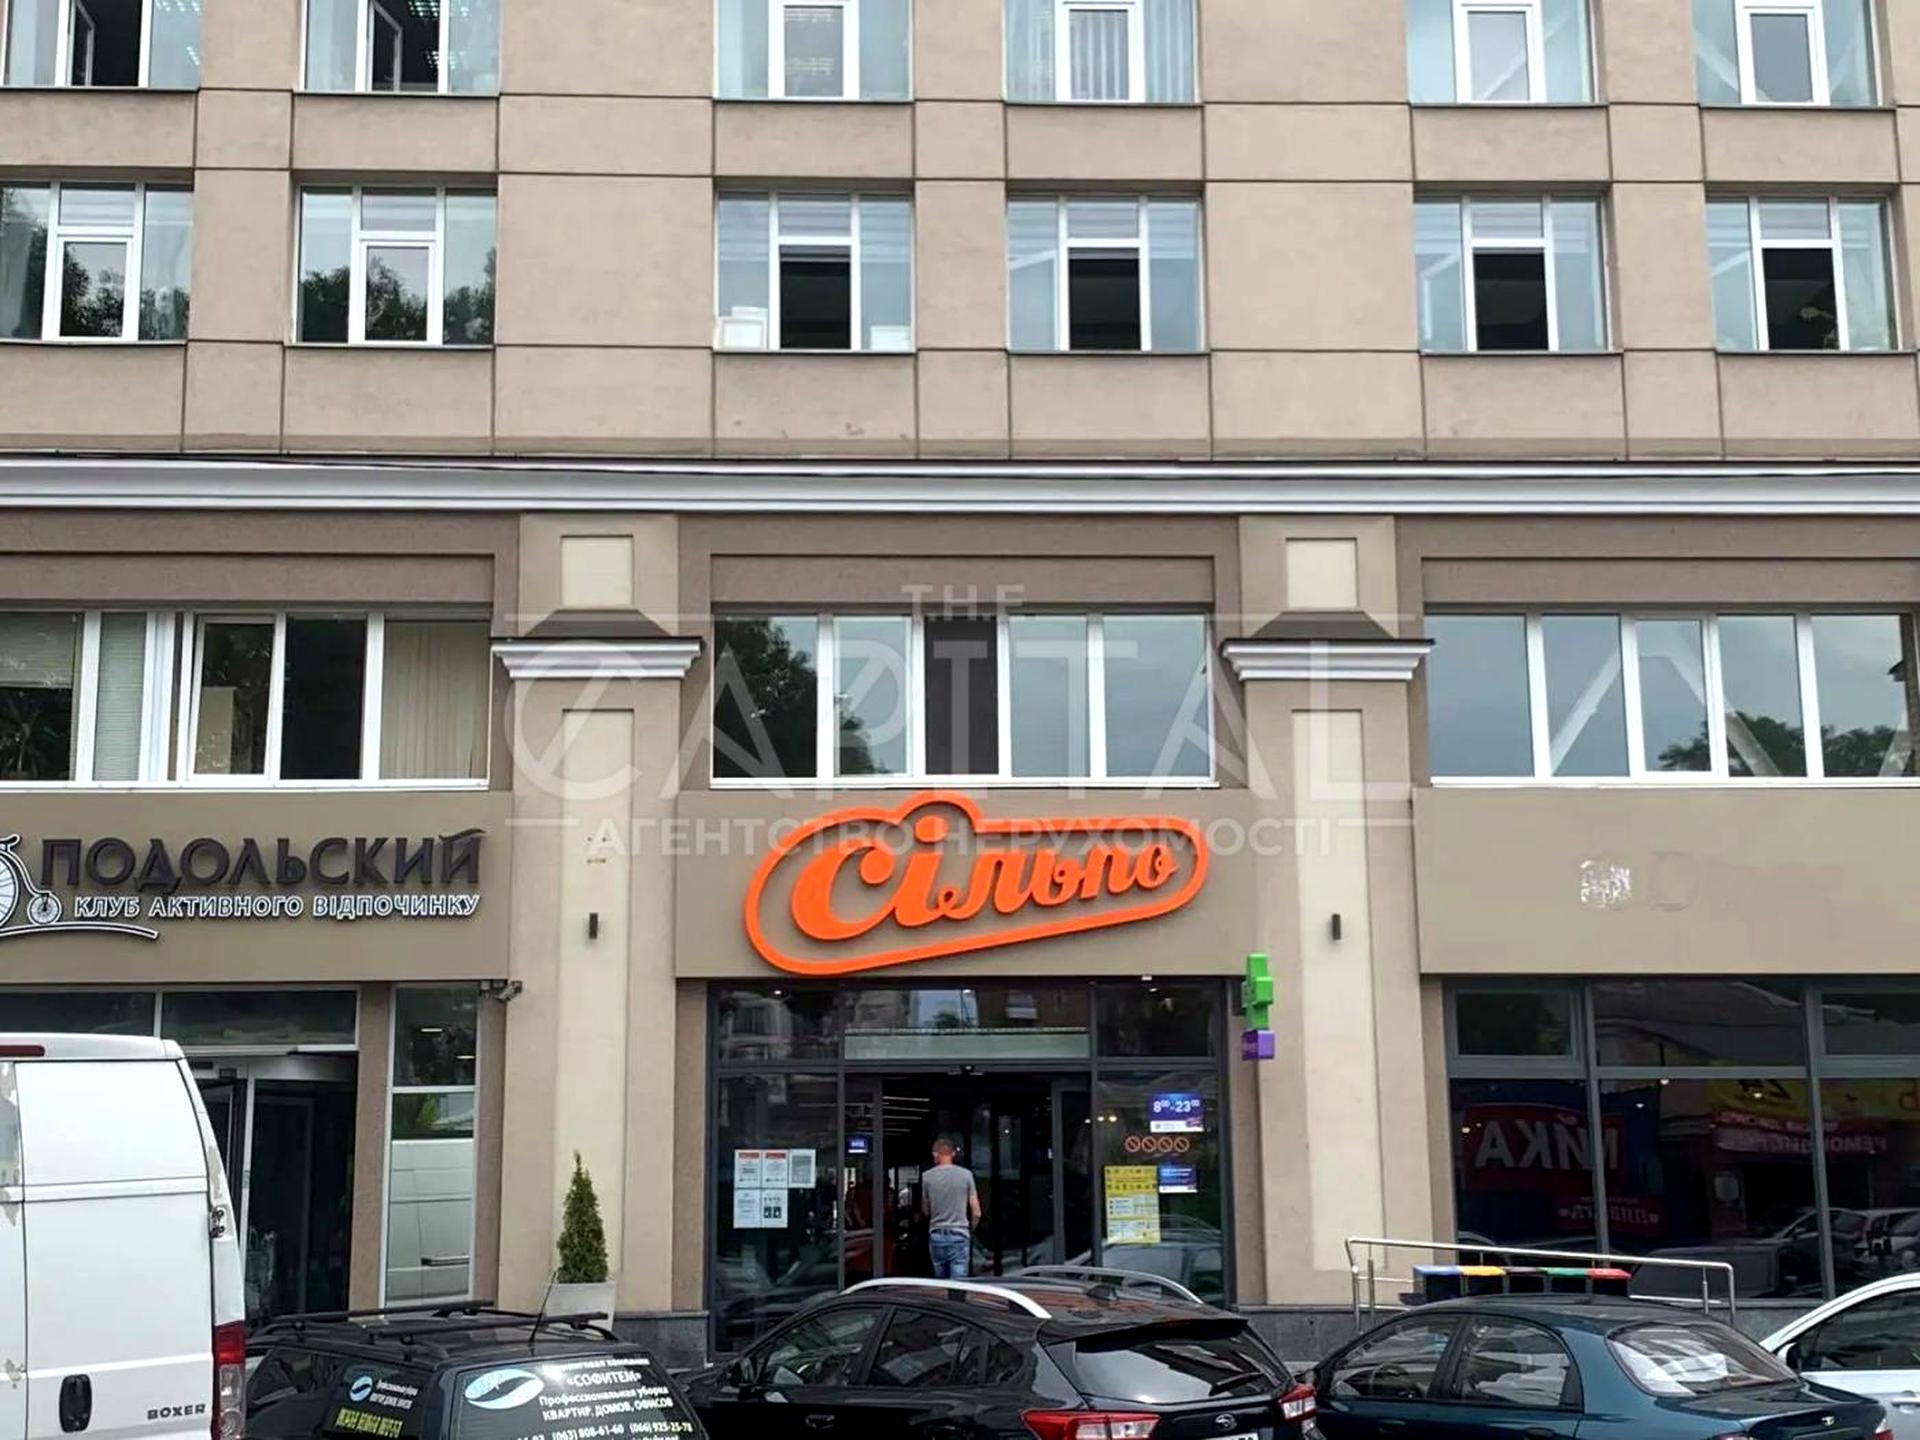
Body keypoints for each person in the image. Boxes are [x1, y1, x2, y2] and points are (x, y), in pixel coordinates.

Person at [921, 1138, 980, 1280]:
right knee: (958, 1282)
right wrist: (970, 1229)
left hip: (936, 1233)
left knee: (941, 1282)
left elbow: (925, 1209)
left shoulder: (926, 1177)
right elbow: (977, 1212)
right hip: (959, 1233)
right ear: (953, 1154)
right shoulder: (966, 1175)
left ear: (935, 1154)